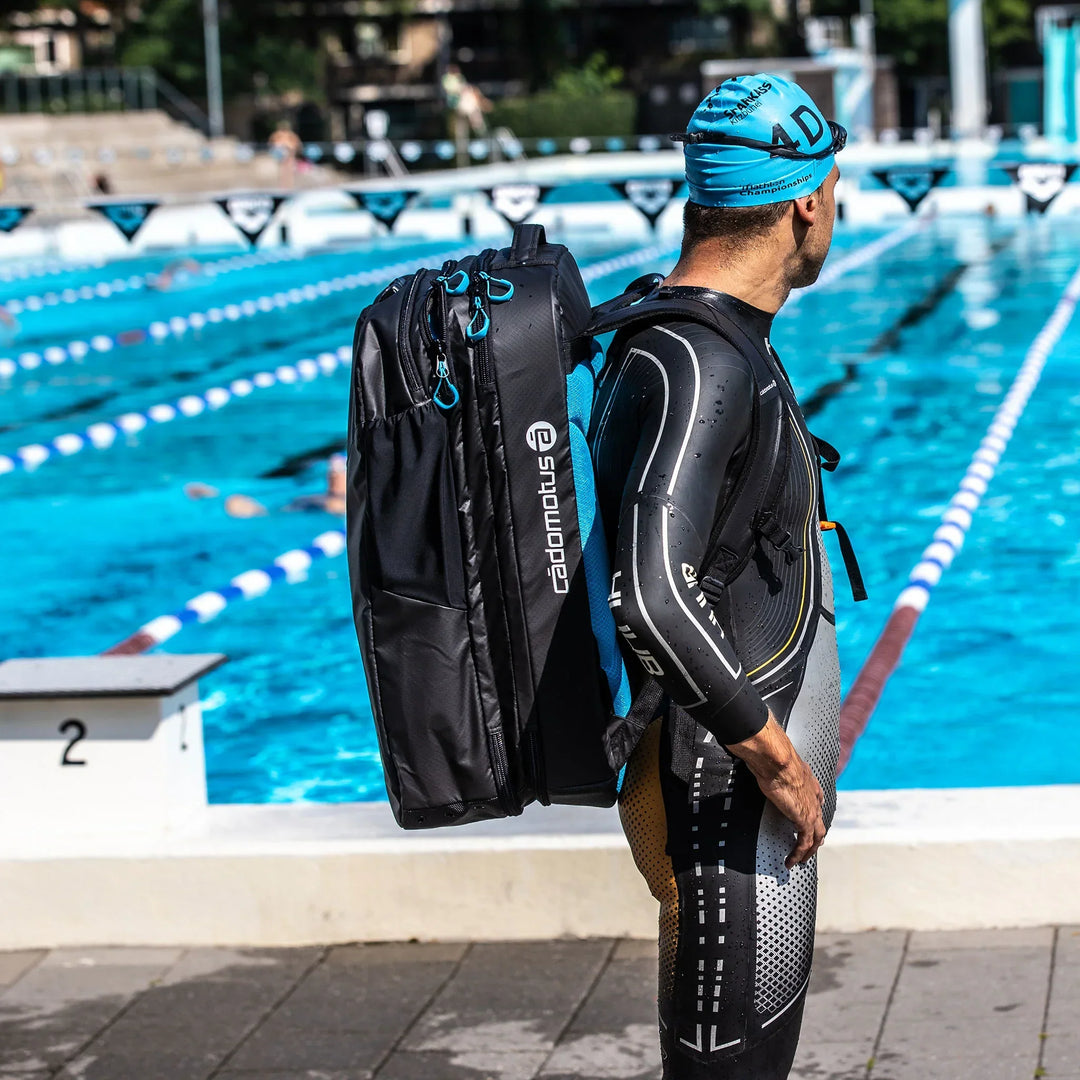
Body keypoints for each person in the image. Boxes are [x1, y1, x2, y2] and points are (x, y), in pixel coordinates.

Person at [590, 73, 848, 1079]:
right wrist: (779, 762)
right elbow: (653, 590)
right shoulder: (702, 361)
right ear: (806, 201)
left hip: (726, 781)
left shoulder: (687, 334)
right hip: (722, 790)